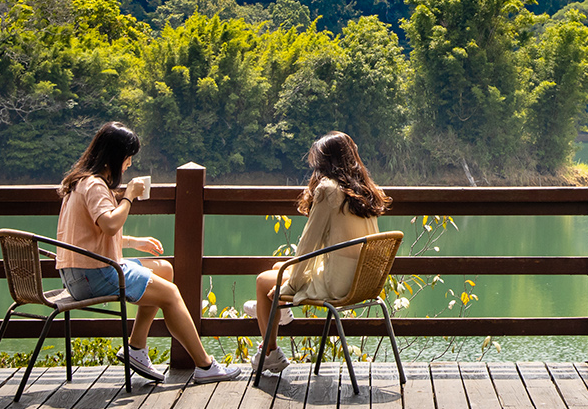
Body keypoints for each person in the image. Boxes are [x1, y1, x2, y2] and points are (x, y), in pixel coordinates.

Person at [56, 122, 241, 383]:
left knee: (163, 269)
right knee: (170, 292)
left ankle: (136, 348)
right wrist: (128, 196)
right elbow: (109, 225)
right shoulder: (96, 185)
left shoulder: (79, 182)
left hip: (78, 274)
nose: (129, 163)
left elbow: (90, 237)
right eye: (128, 156)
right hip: (93, 276)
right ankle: (205, 365)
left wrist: (133, 241)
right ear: (115, 156)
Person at [249, 131, 392, 374]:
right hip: (364, 281)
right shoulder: (366, 188)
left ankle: (270, 351)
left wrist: (290, 287)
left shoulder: (328, 189)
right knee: (276, 271)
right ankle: (277, 315)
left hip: (339, 284)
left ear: (325, 162)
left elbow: (308, 243)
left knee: (263, 281)